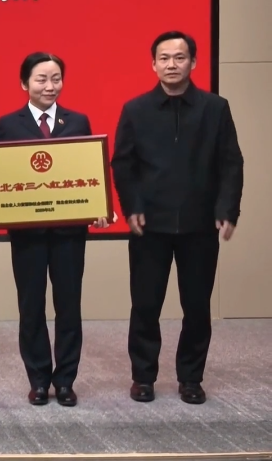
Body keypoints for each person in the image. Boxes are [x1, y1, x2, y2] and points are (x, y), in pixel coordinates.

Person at [0, 52, 112, 407]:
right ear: (24, 83)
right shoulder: (8, 124)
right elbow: (3, 174)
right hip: (27, 234)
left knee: (69, 307)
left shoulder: (77, 121)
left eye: (56, 78)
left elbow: (88, 171)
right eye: (41, 79)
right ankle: (38, 379)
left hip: (69, 234)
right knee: (31, 307)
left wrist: (99, 207)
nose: (50, 86)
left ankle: (65, 381)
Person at [111, 31, 243, 405]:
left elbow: (231, 163)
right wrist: (132, 206)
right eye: (164, 58)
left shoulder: (215, 108)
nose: (172, 64)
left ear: (193, 63)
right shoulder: (135, 109)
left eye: (180, 57)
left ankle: (191, 378)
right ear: (153, 64)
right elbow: (123, 163)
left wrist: (227, 210)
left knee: (197, 307)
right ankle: (143, 377)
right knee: (145, 305)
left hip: (200, 225)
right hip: (149, 225)